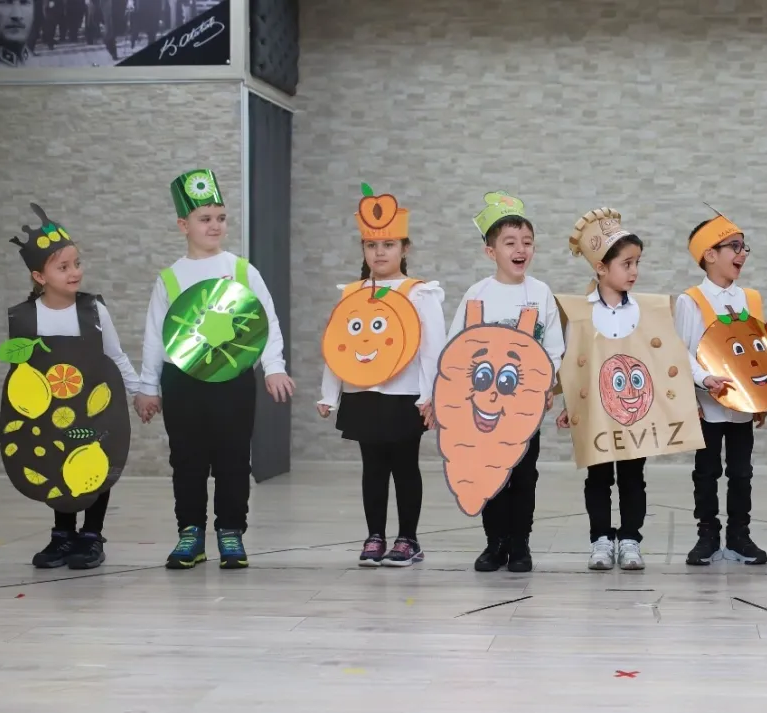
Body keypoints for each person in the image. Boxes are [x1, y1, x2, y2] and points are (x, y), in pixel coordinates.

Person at [135, 169, 294, 570]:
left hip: (233, 379)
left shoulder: (242, 271)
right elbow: (155, 335)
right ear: (183, 225)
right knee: (186, 458)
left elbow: (265, 321)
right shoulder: (170, 278)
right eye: (204, 218)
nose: (214, 225)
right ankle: (190, 533)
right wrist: (148, 386)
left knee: (233, 457)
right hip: (182, 380)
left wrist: (273, 366)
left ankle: (231, 531)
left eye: (220, 218)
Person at [556, 208, 702, 571]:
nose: (634, 271)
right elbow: (573, 362)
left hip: (637, 411)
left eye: (637, 262)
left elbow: (670, 356)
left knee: (633, 477)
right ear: (601, 268)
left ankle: (631, 539)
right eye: (626, 264)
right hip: (596, 411)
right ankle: (601, 540)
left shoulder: (648, 310)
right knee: (598, 477)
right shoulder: (580, 313)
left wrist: (694, 390)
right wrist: (568, 403)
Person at [4, 203, 140, 570]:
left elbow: (115, 355)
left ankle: (91, 535)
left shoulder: (93, 311)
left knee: (95, 463)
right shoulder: (25, 318)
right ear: (39, 276)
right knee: (55, 460)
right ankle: (62, 534)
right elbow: (21, 374)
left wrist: (139, 392)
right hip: (50, 410)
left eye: (76, 263)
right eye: (63, 267)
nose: (74, 272)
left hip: (94, 404)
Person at [317, 186, 445, 568]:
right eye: (371, 245)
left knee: (404, 466)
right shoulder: (352, 293)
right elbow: (339, 345)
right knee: (372, 468)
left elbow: (433, 349)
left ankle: (408, 539)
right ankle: (375, 535)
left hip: (405, 396)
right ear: (363, 249)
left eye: (389, 244)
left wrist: (431, 395)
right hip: (362, 393)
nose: (380, 252)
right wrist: (329, 394)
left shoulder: (420, 293)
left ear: (405, 248)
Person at [447, 192, 564, 573]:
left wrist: (546, 385)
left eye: (527, 242)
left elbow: (554, 347)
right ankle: (494, 543)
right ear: (490, 251)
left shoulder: (540, 293)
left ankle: (520, 543)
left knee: (524, 476)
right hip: (483, 409)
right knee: (491, 474)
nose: (520, 250)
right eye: (510, 243)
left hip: (524, 408)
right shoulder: (477, 294)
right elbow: (457, 346)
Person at [674, 210, 767, 565]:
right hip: (707, 406)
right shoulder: (691, 300)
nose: (742, 254)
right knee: (706, 472)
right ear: (710, 255)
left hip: (742, 407)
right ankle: (707, 535)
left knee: (742, 473)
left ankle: (740, 535)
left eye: (744, 247)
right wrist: (703, 381)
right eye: (734, 246)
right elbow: (680, 350)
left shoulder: (751, 299)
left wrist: (763, 397)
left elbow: (761, 351)